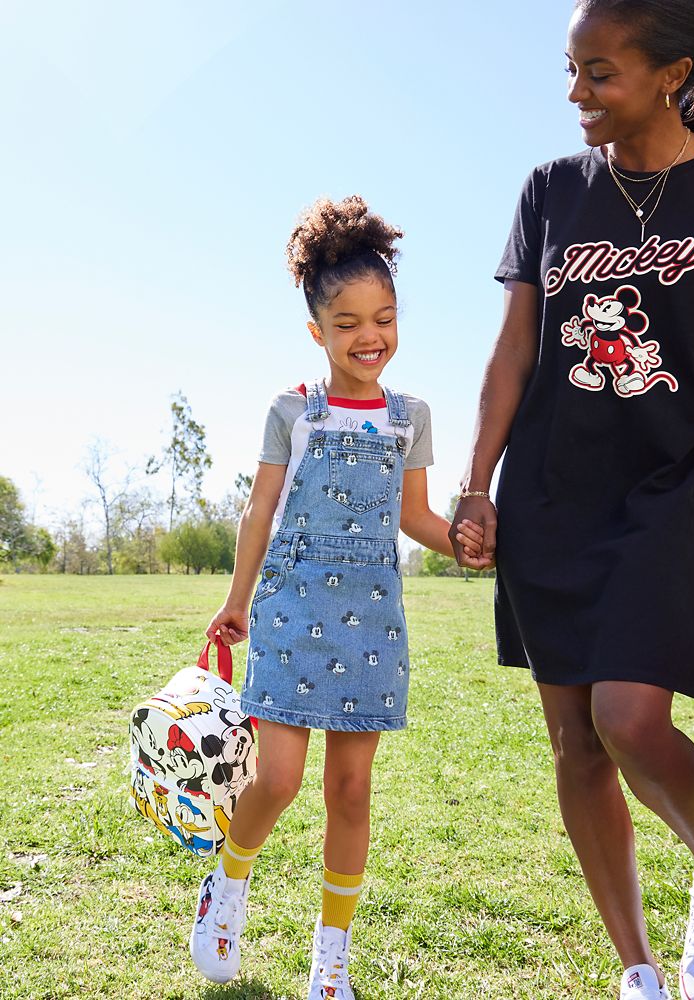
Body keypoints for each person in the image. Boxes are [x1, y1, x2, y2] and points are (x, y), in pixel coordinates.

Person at [449, 3, 694, 999]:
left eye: (599, 73)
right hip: (546, 498)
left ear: (672, 73)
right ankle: (638, 968)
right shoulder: (549, 191)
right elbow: (513, 350)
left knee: (628, 718)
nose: (576, 93)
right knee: (573, 740)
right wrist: (476, 483)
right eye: (571, 70)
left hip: (659, 495)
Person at [189, 195, 488, 998]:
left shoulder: (410, 416)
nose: (370, 338)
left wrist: (465, 543)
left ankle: (332, 957)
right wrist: (237, 600)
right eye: (349, 322)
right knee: (278, 780)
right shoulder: (293, 409)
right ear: (317, 330)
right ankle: (229, 882)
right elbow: (260, 510)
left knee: (350, 790)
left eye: (384, 318)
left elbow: (413, 514)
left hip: (371, 620)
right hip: (290, 609)